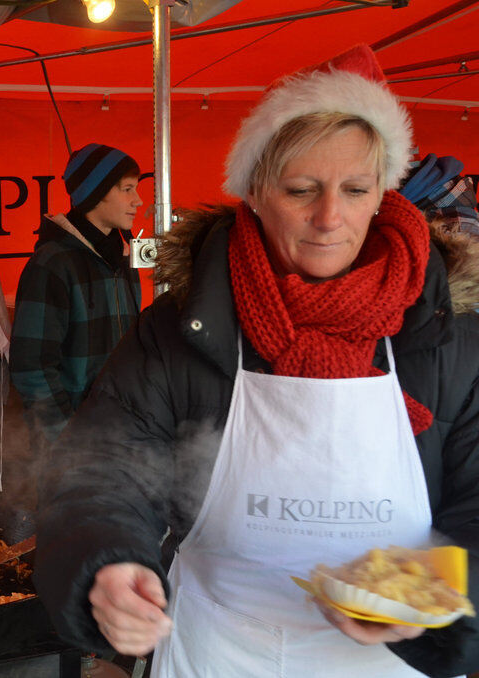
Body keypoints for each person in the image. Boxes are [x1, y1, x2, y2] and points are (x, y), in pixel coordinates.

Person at [34, 44, 479, 677]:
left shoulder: (449, 335)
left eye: (355, 190)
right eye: (302, 189)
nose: (330, 218)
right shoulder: (182, 329)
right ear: (257, 191)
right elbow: (99, 474)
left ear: (381, 194)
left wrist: (448, 588)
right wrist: (107, 564)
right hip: (218, 652)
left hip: (394, 662)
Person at [9, 143, 143, 459]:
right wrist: (66, 440)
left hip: (122, 440)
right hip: (69, 451)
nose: (137, 201)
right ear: (95, 194)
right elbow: (32, 366)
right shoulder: (53, 264)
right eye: (127, 190)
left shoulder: (125, 258)